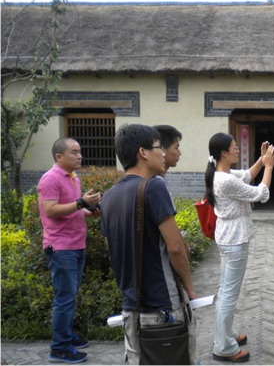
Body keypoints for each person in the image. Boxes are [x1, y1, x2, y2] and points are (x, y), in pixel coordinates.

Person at [100, 124, 197, 364]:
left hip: (131, 308)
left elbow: (112, 250)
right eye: (158, 148)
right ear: (143, 152)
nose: (163, 153)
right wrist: (190, 290)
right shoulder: (154, 186)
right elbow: (175, 247)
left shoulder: (109, 196)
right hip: (163, 305)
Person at [205, 133, 274, 363]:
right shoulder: (224, 180)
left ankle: (226, 335)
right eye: (234, 147)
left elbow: (247, 175)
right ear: (224, 153)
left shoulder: (223, 173)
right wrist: (269, 167)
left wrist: (261, 159)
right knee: (228, 294)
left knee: (226, 292)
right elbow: (260, 194)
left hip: (228, 238)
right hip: (234, 240)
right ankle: (223, 346)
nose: (237, 149)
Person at [38, 137, 101, 364]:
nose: (79, 156)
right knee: (64, 299)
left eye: (80, 152)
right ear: (59, 156)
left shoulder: (74, 177)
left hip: (76, 244)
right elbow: (51, 210)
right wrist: (81, 203)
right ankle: (60, 349)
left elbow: (72, 209)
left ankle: (66, 336)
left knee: (69, 296)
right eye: (74, 152)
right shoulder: (50, 179)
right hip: (60, 247)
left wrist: (89, 210)